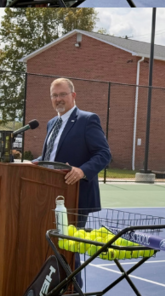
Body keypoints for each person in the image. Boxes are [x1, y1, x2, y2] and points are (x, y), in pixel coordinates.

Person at [37, 78, 111, 213]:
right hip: (49, 191)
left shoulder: (87, 120)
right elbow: (51, 154)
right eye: (54, 95)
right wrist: (33, 163)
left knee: (68, 234)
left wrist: (82, 171)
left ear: (73, 95)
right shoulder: (51, 123)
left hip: (75, 196)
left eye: (63, 94)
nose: (58, 99)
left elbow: (104, 153)